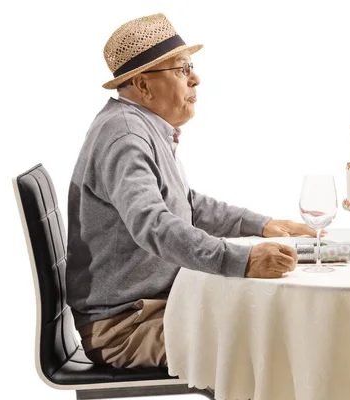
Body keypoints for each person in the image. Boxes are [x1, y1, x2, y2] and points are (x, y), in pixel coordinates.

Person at [66, 13, 319, 369]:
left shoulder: (138, 126)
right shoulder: (126, 137)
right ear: (143, 84)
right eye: (182, 69)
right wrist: (241, 260)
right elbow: (153, 224)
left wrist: (262, 224)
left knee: (275, 321)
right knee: (277, 345)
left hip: (154, 308)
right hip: (127, 327)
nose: (196, 79)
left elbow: (185, 204)